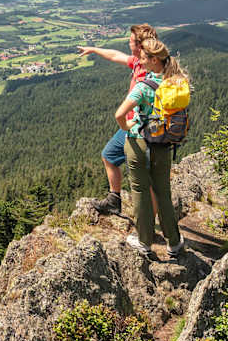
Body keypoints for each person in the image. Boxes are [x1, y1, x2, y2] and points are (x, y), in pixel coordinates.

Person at [114, 37, 187, 258]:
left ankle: (144, 241)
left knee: (140, 190)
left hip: (138, 142)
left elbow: (119, 114)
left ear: (154, 59)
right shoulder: (176, 82)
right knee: (163, 191)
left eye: (144, 58)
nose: (140, 61)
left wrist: (127, 125)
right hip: (164, 144)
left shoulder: (143, 87)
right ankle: (174, 242)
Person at [77, 24, 157, 214]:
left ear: (139, 45)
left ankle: (152, 226)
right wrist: (94, 49)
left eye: (130, 41)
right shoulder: (140, 61)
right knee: (109, 156)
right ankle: (115, 199)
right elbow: (115, 55)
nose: (127, 43)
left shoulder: (149, 69)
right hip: (132, 126)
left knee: (149, 179)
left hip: (142, 129)